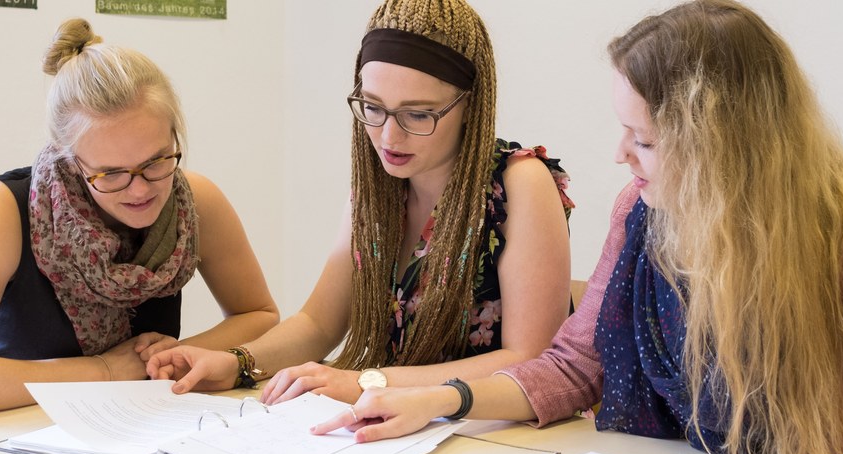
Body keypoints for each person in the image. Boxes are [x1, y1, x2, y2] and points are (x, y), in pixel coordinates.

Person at [313, 0, 843, 454]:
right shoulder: (642, 212)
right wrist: (443, 398)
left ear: (724, 146)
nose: (621, 154)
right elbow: (570, 368)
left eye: (645, 138)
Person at [148, 0, 574, 404]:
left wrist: (367, 381)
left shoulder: (520, 184)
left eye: (418, 115)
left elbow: (530, 361)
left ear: (470, 106)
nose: (389, 137)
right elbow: (318, 324)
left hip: (496, 437)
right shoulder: (379, 188)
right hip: (401, 428)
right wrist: (237, 362)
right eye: (372, 107)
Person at [0, 19, 278, 420]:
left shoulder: (195, 200)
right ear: (70, 160)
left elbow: (260, 316)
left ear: (175, 136)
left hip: (139, 425)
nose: (139, 190)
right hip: (7, 434)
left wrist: (185, 351)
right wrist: (104, 370)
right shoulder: (2, 208)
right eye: (111, 173)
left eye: (156, 161)